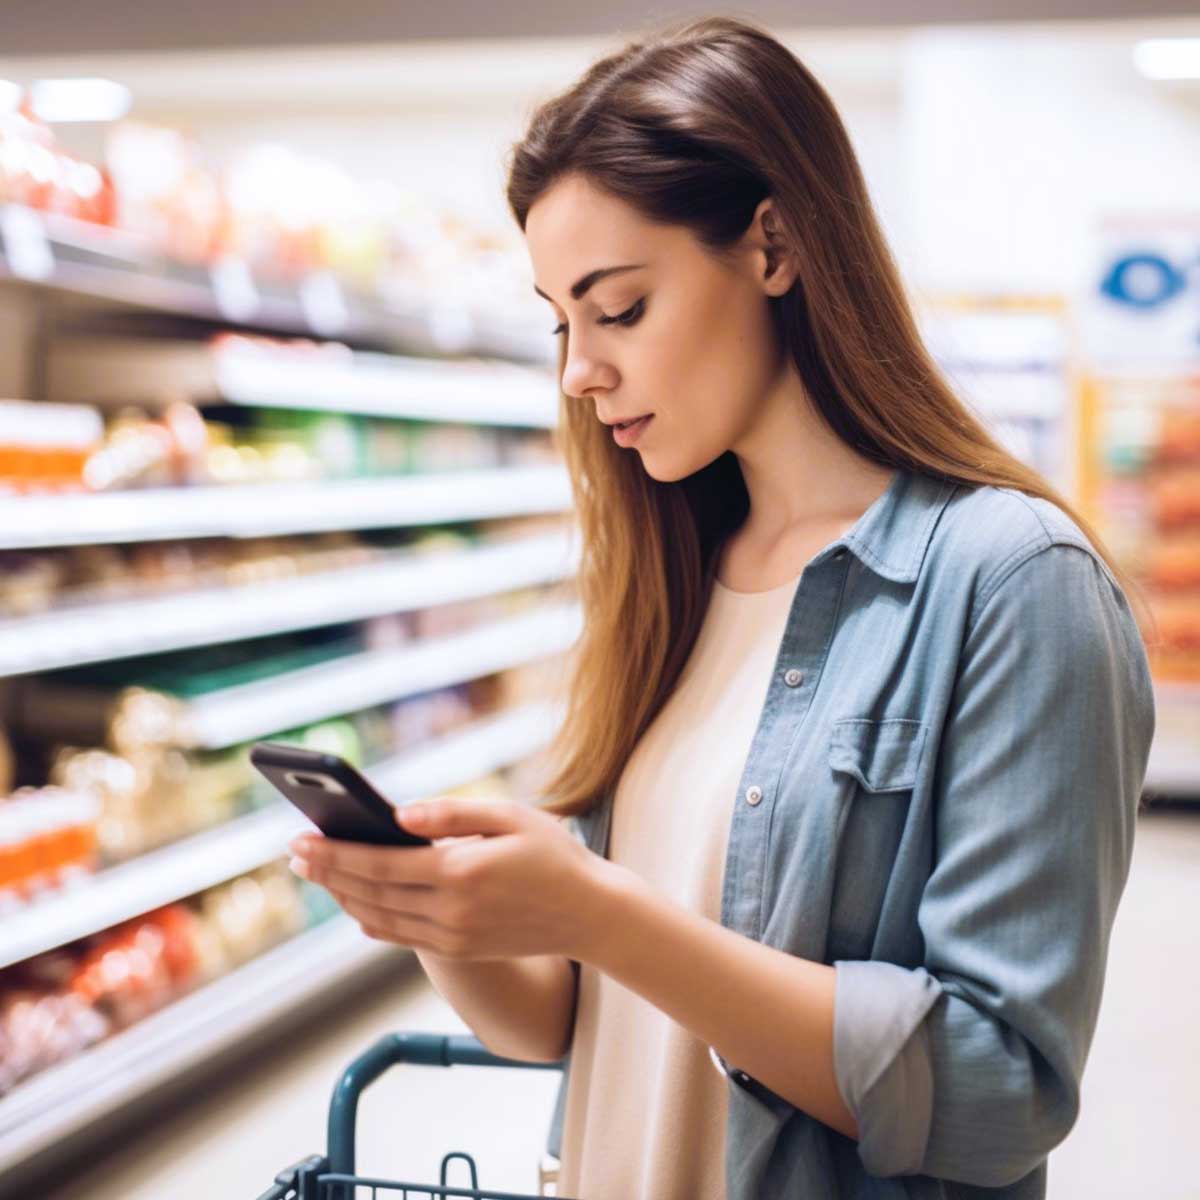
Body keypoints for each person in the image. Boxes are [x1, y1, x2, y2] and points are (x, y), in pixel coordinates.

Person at [288, 15, 1157, 1199]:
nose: (576, 371)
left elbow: (1000, 1092)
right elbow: (573, 1027)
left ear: (776, 246)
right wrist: (451, 917)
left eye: (620, 308)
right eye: (562, 319)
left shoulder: (1012, 583)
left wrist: (605, 914)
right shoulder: (674, 572)